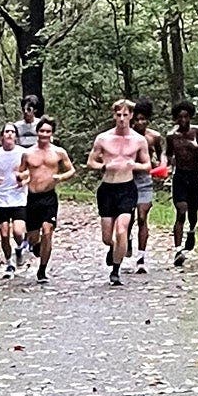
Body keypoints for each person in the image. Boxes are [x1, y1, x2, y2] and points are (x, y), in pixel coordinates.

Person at [88, 98, 151, 285]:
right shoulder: (103, 138)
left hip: (127, 188)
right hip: (107, 189)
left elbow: (147, 165)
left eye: (125, 115)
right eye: (118, 115)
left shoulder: (139, 140)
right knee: (107, 237)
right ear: (114, 116)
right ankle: (114, 248)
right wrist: (103, 165)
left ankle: (116, 270)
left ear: (131, 116)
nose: (122, 119)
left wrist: (134, 165)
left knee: (122, 229)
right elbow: (90, 162)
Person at [19, 118, 73, 283]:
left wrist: (61, 177)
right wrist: (22, 178)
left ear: (52, 133)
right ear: (37, 132)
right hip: (32, 197)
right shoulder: (27, 153)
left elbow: (71, 170)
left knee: (48, 230)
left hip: (49, 197)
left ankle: (42, 270)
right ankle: (36, 245)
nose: (44, 134)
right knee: (33, 236)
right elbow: (20, 172)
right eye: (42, 131)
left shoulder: (59, 152)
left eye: (48, 131)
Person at [165, 101, 198, 265]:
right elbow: (168, 155)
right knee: (181, 211)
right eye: (180, 117)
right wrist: (167, 165)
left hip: (194, 175)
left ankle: (192, 230)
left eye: (186, 116)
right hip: (179, 175)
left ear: (191, 116)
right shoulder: (171, 136)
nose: (183, 120)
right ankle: (178, 250)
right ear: (175, 119)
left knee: (192, 212)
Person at [0, 125, 30, 277]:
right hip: (1, 198)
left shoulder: (23, 153)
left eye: (12, 132)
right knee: (4, 235)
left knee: (18, 231)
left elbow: (31, 172)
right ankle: (9, 263)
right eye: (7, 132)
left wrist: (24, 181)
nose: (10, 134)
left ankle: (21, 248)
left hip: (19, 197)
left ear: (16, 136)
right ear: (1, 136)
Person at [130, 98, 163, 273]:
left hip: (145, 180)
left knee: (142, 217)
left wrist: (161, 168)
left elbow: (161, 155)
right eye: (137, 119)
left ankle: (141, 257)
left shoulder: (154, 137)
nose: (140, 123)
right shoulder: (127, 136)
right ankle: (127, 239)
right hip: (127, 179)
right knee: (127, 217)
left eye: (143, 119)